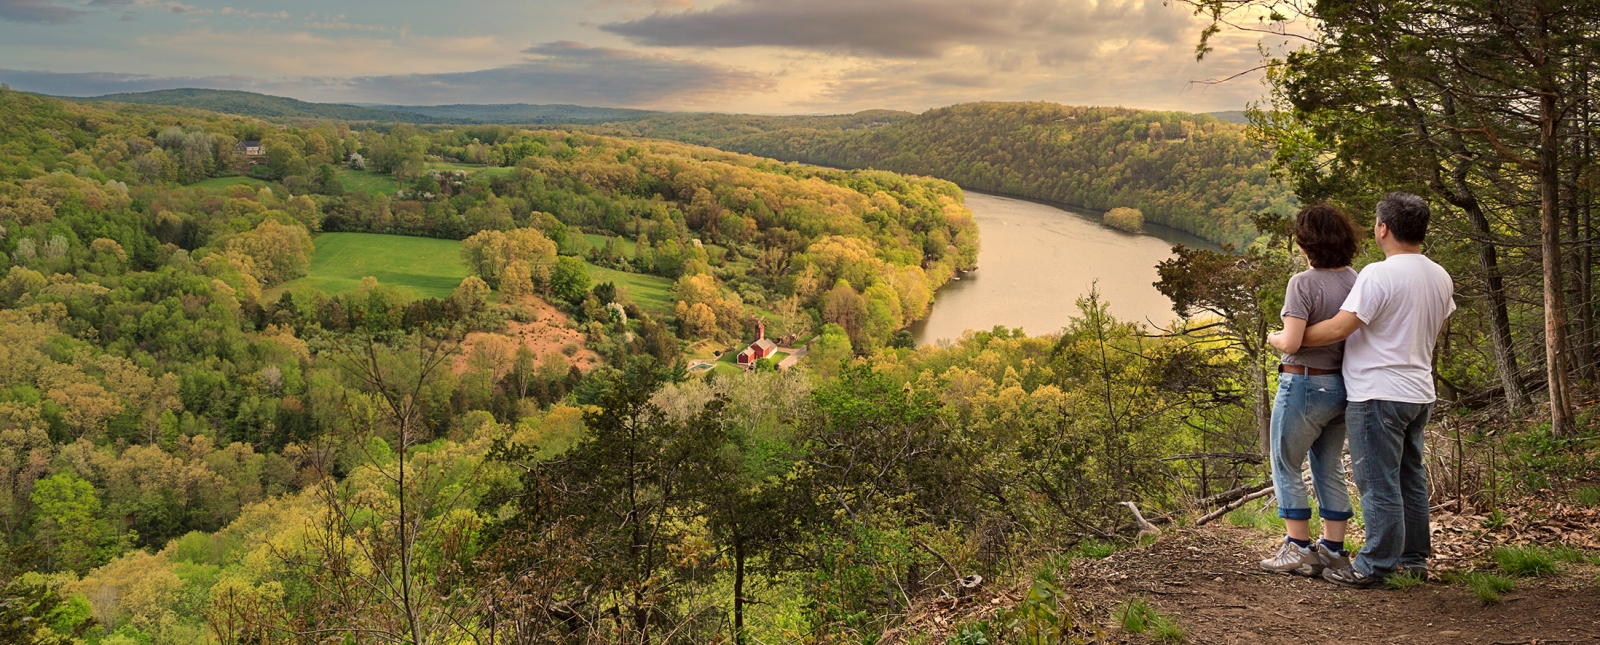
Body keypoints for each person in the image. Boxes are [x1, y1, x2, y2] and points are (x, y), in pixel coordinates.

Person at [1301, 192, 1456, 588]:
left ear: (1382, 229)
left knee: (1377, 482)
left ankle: (1374, 566)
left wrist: (1293, 338)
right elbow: (1437, 327)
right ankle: (1413, 559)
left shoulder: (1378, 274)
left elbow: (1340, 327)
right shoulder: (1439, 275)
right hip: (1419, 391)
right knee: (1409, 477)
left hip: (1378, 394)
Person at [1259, 204, 1361, 577]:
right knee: (1329, 467)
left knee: (1285, 463)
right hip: (1342, 386)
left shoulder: (1302, 283)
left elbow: (1292, 341)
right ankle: (1334, 550)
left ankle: (1298, 547)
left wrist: (1272, 337)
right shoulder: (1356, 280)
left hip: (1303, 383)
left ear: (1305, 244)